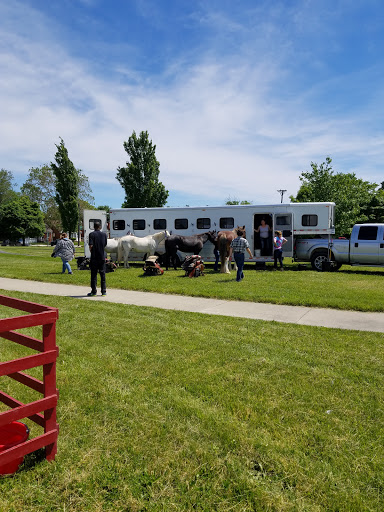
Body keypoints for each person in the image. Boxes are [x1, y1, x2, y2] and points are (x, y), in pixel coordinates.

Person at [88, 221, 107, 296]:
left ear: (94, 227)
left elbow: (90, 245)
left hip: (94, 257)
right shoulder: (104, 235)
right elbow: (105, 244)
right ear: (100, 227)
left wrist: (91, 252)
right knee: (102, 274)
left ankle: (94, 291)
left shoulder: (91, 234)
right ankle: (103, 291)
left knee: (94, 274)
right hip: (102, 256)